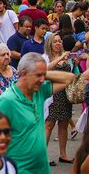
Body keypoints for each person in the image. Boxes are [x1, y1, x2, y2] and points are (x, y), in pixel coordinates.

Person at [0, 52, 76, 174]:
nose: (42, 80)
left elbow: (69, 78)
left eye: (44, 75)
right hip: (19, 169)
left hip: (41, 169)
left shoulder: (39, 91)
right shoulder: (7, 101)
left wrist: (41, 72)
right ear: (23, 74)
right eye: (38, 75)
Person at [42, 33, 74, 165]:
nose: (58, 44)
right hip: (51, 94)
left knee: (64, 124)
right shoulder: (45, 57)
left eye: (59, 41)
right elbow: (45, 70)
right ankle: (43, 155)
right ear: (49, 43)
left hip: (65, 94)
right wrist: (60, 57)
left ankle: (63, 154)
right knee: (49, 124)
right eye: (55, 41)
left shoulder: (66, 57)